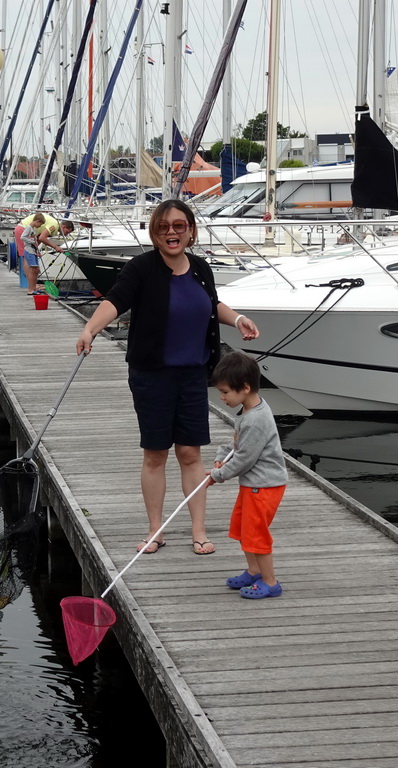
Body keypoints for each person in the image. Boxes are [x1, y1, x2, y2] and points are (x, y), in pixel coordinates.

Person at [75, 199, 260, 555]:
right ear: (155, 233)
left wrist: (237, 319)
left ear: (190, 230)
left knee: (191, 454)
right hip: (152, 375)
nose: (171, 232)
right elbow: (116, 301)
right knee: (155, 454)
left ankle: (199, 530)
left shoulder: (201, 268)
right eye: (164, 227)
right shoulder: (141, 268)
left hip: (192, 374)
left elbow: (210, 303)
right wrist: (90, 329)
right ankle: (155, 529)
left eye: (179, 226)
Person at [207, 351, 288, 599]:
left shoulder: (255, 420)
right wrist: (222, 454)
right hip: (253, 484)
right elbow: (237, 446)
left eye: (225, 392)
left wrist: (218, 475)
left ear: (244, 387)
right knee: (243, 528)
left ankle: (270, 582)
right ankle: (254, 571)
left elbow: (244, 459)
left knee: (256, 533)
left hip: (264, 486)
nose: (221, 398)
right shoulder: (248, 411)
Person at [20, 213, 46, 295]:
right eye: (40, 224)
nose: (40, 226)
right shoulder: (28, 228)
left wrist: (37, 251)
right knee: (32, 270)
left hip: (33, 251)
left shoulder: (32, 229)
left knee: (37, 270)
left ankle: (34, 287)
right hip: (29, 250)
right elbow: (23, 237)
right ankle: (30, 289)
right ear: (37, 221)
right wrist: (32, 242)